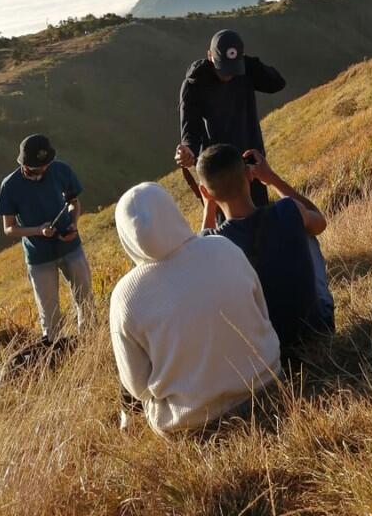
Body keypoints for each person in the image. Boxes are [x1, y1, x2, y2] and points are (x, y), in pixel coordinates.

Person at [109, 182, 280, 436]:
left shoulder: (126, 295)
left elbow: (137, 387)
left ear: (126, 236)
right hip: (268, 385)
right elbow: (262, 312)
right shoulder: (223, 246)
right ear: (172, 211)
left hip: (195, 423)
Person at [196, 144, 334, 347]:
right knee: (306, 230)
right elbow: (319, 221)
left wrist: (209, 205)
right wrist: (271, 178)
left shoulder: (213, 245)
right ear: (249, 175)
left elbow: (202, 247)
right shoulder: (289, 209)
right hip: (319, 331)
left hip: (267, 349)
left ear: (205, 192)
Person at [0, 134, 93, 343]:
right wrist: (38, 231)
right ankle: (55, 353)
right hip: (39, 257)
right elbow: (9, 228)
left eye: (46, 165)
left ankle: (91, 344)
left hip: (70, 247)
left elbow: (73, 203)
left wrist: (73, 224)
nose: (43, 170)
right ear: (24, 164)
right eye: (36, 168)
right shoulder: (9, 186)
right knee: (49, 314)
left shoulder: (60, 169)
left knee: (85, 299)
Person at [176, 29, 286, 206]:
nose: (228, 75)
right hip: (218, 169)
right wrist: (188, 150)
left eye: (232, 69)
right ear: (209, 55)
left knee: (261, 218)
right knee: (228, 228)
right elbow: (190, 128)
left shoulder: (244, 70)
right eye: (223, 68)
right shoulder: (195, 84)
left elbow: (277, 83)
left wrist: (246, 62)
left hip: (250, 162)